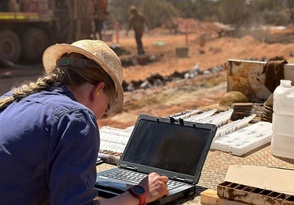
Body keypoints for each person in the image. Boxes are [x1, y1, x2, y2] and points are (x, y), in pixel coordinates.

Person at [0, 39, 169, 204]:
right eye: (108, 105)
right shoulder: (75, 118)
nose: (103, 114)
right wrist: (138, 194)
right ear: (98, 89)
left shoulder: (10, 99)